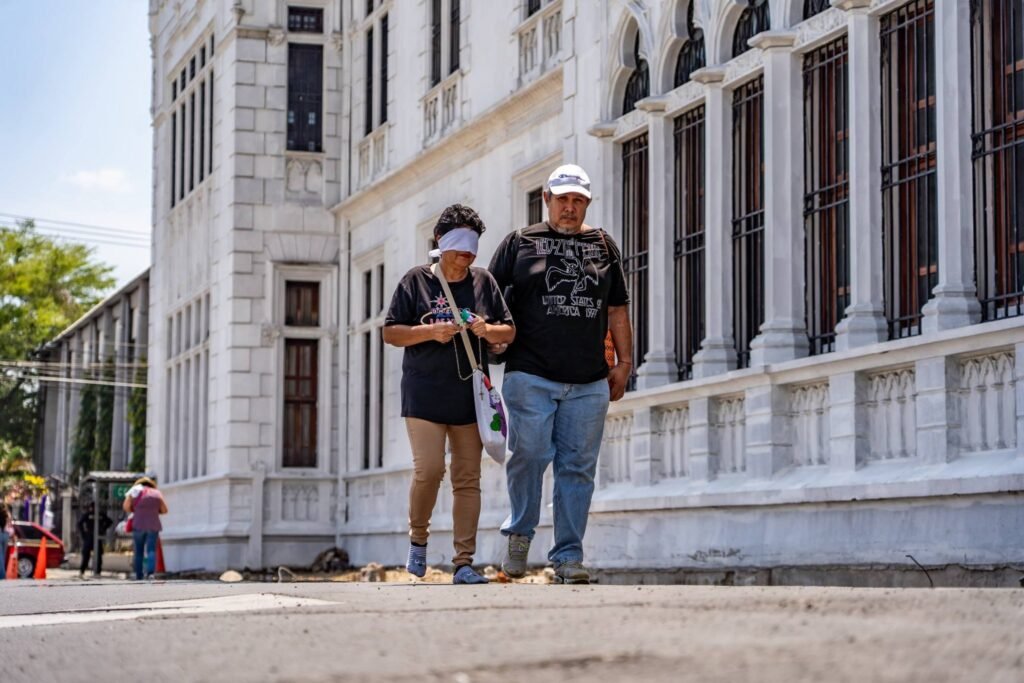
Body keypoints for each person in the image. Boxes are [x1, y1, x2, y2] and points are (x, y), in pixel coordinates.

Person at [488, 164, 632, 584]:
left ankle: (568, 556)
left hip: (589, 381)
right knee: (530, 454)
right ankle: (519, 531)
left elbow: (618, 309)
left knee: (578, 468)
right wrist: (491, 343)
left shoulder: (604, 246)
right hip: (530, 373)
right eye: (563, 199)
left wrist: (624, 363)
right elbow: (489, 299)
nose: (570, 208)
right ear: (546, 199)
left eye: (578, 200)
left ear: (586, 203)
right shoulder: (519, 243)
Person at [383, 204, 515, 585]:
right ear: (440, 242)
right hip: (423, 394)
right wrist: (430, 332)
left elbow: (509, 332)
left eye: (473, 246)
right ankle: (418, 539)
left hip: (469, 396)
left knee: (467, 476)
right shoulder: (415, 281)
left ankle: (463, 562)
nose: (467, 253)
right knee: (429, 469)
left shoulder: (483, 282)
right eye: (459, 244)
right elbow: (391, 332)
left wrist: (486, 329)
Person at [122, 476, 168, 580]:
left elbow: (126, 506)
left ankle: (139, 574)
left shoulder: (135, 491)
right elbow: (164, 510)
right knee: (151, 550)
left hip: (138, 525)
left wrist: (136, 509)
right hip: (153, 525)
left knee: (139, 551)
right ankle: (150, 573)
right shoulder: (157, 493)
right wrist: (155, 511)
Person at [77, 501, 113, 578]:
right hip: (90, 537)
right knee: (86, 555)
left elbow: (109, 522)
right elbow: (80, 523)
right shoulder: (88, 515)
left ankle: (97, 571)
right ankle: (83, 570)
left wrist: (103, 529)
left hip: (96, 537)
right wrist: (84, 534)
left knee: (98, 555)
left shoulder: (100, 515)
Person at [0, 504, 10, 580]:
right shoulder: (7, 514)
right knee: (3, 555)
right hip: (6, 534)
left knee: (0, 556)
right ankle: (3, 575)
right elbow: (10, 525)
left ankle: (1, 575)